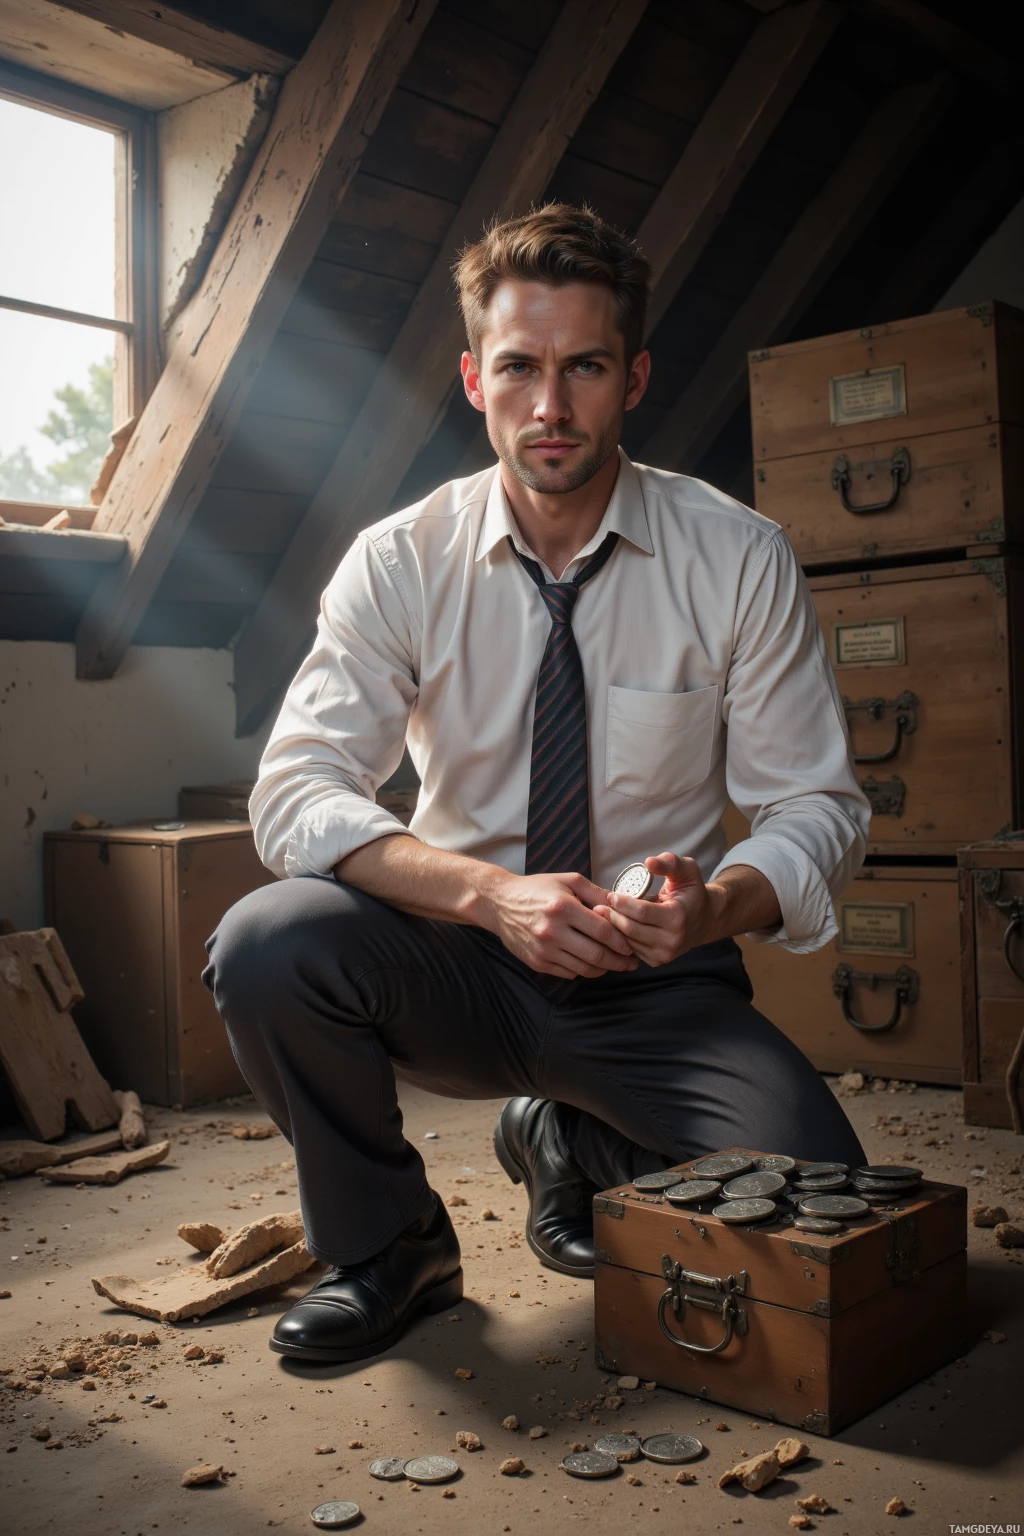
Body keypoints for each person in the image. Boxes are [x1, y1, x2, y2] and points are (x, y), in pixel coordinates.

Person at [204, 203, 869, 1366]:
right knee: (268, 940)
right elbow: (297, 789)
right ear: (473, 377)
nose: (550, 407)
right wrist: (482, 896)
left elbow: (816, 805)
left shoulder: (738, 556)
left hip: (650, 975)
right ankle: (389, 1247)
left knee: (818, 1203)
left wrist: (711, 906)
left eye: (584, 368)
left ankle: (566, 1139)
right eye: (519, 368)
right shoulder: (400, 559)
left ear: (635, 377)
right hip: (451, 960)